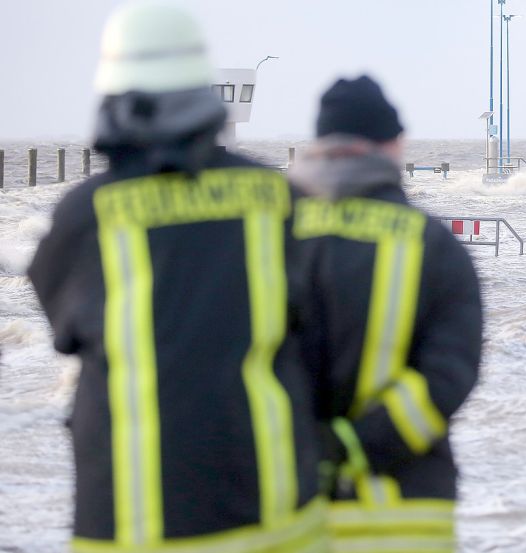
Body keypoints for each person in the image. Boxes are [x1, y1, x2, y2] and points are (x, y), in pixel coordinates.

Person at [27, 3, 326, 551]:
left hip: (126, 517)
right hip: (274, 510)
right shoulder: (277, 196)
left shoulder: (86, 215)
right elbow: (320, 328)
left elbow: (63, 328)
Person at [290, 76, 483, 553]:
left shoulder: (270, 236)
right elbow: (449, 375)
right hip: (408, 518)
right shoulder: (433, 246)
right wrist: (355, 446)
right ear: (393, 145)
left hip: (289, 513)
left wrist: (305, 451)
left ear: (318, 147)